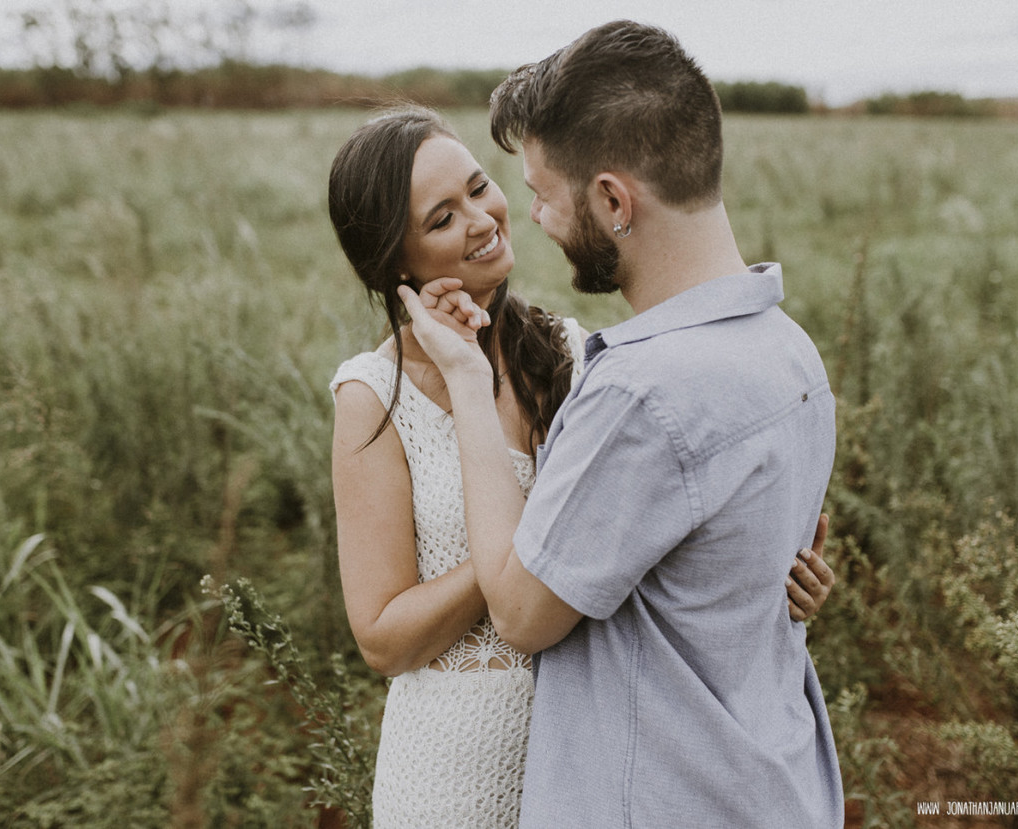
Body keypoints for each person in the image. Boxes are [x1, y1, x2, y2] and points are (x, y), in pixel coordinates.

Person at [329, 106, 836, 827]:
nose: (483, 218)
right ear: (396, 260)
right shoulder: (374, 396)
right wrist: (539, 551)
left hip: (594, 761)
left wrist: (773, 580)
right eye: (442, 217)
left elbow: (648, 536)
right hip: (452, 778)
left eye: (479, 187)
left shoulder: (570, 351)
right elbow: (381, 634)